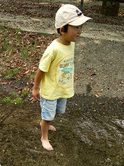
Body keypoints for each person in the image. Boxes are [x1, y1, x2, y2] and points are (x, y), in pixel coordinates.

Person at [32, 4, 91, 151]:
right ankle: (43, 136)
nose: (80, 31)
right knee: (47, 115)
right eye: (76, 27)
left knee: (58, 112)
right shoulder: (53, 49)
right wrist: (35, 88)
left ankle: (46, 122)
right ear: (63, 29)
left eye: (81, 27)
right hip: (51, 91)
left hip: (62, 89)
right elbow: (41, 69)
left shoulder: (71, 44)